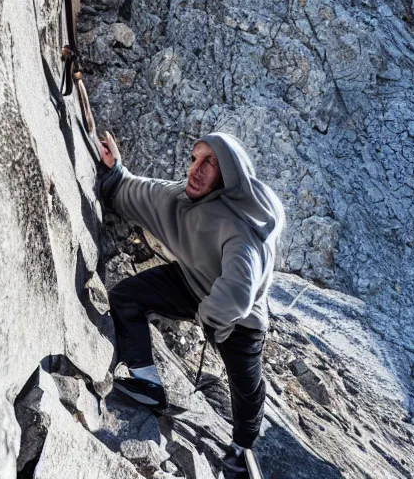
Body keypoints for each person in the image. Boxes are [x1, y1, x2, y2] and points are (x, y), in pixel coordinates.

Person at [98, 131, 285, 475]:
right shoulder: (183, 198)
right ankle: (147, 382)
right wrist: (116, 173)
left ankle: (242, 446)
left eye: (209, 163)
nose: (195, 170)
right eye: (194, 158)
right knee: (126, 297)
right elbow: (143, 192)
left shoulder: (242, 231)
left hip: (240, 322)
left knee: (246, 389)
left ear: (227, 173)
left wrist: (210, 320)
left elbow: (238, 294)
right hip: (193, 282)